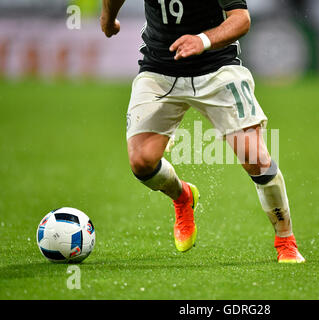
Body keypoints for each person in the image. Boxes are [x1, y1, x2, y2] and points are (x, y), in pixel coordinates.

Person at [100, 0, 305, 263]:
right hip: (160, 69)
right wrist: (108, 18)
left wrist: (203, 40)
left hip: (217, 68)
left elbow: (241, 19)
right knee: (141, 162)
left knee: (255, 157)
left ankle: (285, 241)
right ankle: (183, 196)